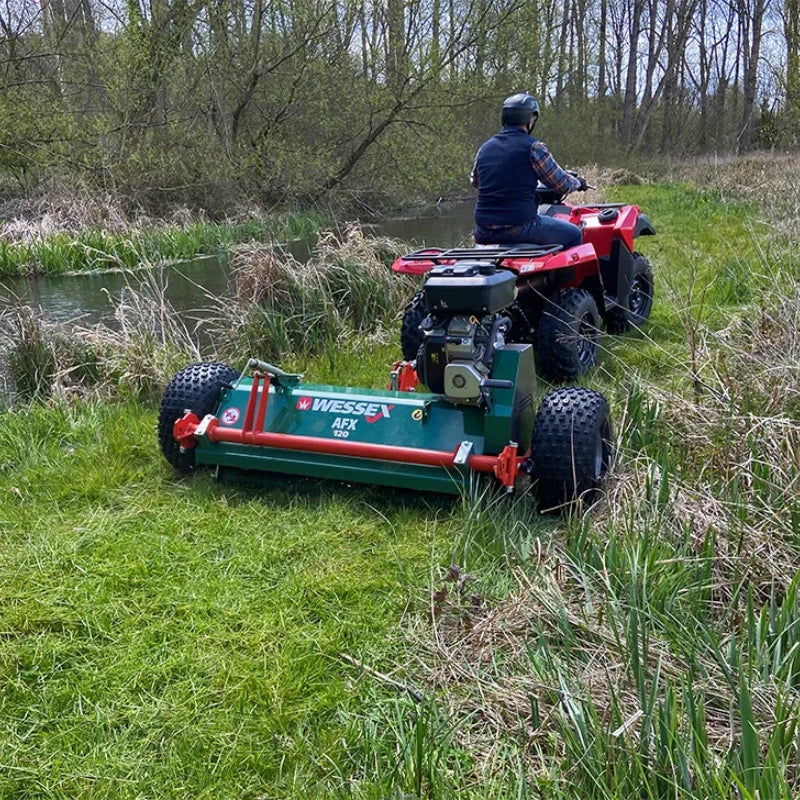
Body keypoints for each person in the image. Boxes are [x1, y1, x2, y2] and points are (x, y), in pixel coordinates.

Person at [470, 92, 588, 249]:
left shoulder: (485, 148)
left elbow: (476, 181)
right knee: (574, 234)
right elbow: (562, 184)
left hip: (483, 231)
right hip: (519, 227)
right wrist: (578, 183)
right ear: (530, 119)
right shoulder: (533, 148)